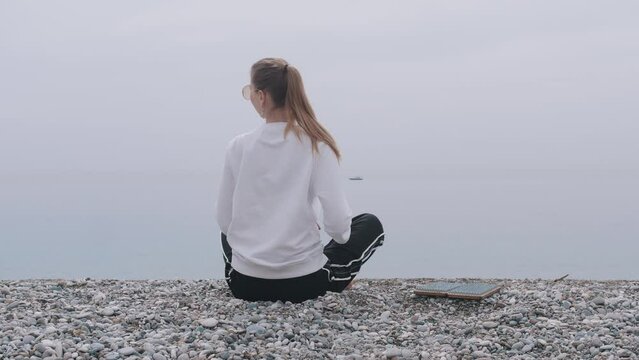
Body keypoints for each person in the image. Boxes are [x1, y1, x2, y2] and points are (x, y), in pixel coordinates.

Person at [215, 57, 385, 303]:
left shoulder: (238, 147)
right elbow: (339, 227)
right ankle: (340, 277)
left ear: (261, 96)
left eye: (249, 92)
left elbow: (224, 221)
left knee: (228, 231)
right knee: (370, 224)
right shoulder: (317, 145)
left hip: (245, 285)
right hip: (304, 285)